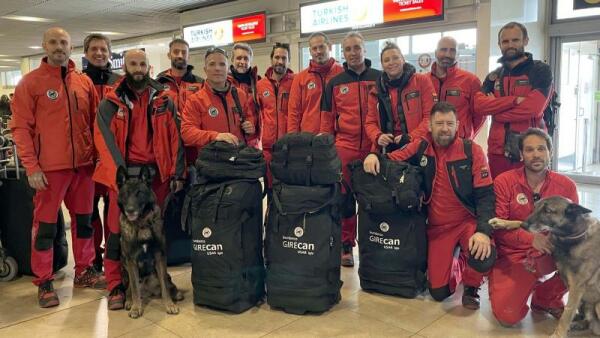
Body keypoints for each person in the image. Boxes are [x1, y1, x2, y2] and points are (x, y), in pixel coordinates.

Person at [363, 101, 496, 309]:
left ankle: (472, 286)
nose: (445, 128)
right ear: (430, 126)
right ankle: (461, 260)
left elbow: (487, 196)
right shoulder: (421, 146)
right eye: (439, 123)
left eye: (450, 123)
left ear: (458, 125)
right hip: (437, 227)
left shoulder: (472, 151)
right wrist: (373, 155)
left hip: (466, 222)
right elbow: (393, 159)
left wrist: (484, 232)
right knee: (439, 292)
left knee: (483, 256)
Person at [10, 27, 105, 308]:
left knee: (85, 223)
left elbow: (95, 125)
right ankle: (44, 280)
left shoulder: (83, 82)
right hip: (49, 170)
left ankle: (85, 271)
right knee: (46, 228)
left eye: (64, 42)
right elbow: (20, 128)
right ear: (44, 45)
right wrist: (31, 166)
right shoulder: (30, 83)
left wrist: (98, 158)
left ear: (71, 46)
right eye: (53, 42)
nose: (59, 47)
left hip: (84, 168)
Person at [93, 49, 185, 310]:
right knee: (116, 232)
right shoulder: (110, 103)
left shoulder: (165, 99)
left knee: (156, 234)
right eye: (133, 64)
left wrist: (177, 173)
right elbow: (104, 141)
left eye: (143, 64)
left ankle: (161, 280)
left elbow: (176, 137)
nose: (138, 68)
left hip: (154, 176)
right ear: (125, 67)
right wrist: (120, 177)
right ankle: (115, 286)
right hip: (123, 176)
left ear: (149, 67)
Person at [489, 128, 577, 326]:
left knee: (586, 257)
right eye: (529, 150)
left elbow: (573, 229)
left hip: (550, 252)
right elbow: (498, 228)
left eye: (541, 149)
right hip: (514, 255)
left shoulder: (567, 186)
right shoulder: (504, 182)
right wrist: (531, 239)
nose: (536, 154)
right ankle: (517, 284)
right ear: (521, 154)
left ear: (550, 153)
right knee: (508, 316)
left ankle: (546, 298)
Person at [320, 31, 382, 267]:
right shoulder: (335, 83)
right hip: (344, 147)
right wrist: (328, 151)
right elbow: (327, 120)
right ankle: (346, 244)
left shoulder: (379, 78)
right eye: (348, 49)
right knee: (344, 199)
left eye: (357, 48)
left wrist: (379, 147)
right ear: (342, 53)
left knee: (372, 199)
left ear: (364, 49)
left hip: (372, 146)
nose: (353, 53)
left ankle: (374, 244)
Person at [476, 22, 553, 178]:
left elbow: (533, 108)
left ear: (525, 41)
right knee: (501, 196)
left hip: (530, 150)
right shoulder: (493, 76)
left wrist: (497, 112)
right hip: (497, 151)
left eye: (515, 40)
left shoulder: (540, 70)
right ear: (499, 44)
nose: (510, 45)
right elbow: (479, 106)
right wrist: (514, 100)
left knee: (531, 198)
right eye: (505, 41)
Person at [82, 33, 123, 272]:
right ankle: (93, 256)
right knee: (88, 211)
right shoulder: (78, 81)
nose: (99, 53)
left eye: (103, 49)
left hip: (113, 157)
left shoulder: (120, 81)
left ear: (109, 52)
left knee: (112, 208)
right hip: (87, 158)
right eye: (94, 49)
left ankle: (113, 255)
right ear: (86, 53)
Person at [365, 41, 435, 154]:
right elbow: (370, 122)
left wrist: (410, 137)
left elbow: (430, 117)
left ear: (402, 59)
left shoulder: (422, 81)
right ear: (382, 65)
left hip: (418, 146)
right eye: (386, 60)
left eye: (395, 58)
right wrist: (378, 137)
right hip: (388, 150)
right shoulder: (376, 91)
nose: (391, 62)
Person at [181, 47, 256, 150]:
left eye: (222, 64)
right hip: (212, 162)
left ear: (228, 69)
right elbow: (187, 133)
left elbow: (249, 118)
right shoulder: (195, 100)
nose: (217, 68)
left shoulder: (240, 95)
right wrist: (215, 136)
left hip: (239, 160)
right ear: (205, 69)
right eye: (212, 64)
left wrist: (250, 126)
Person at [156, 38, 205, 173]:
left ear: (188, 56)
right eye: (176, 52)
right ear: (169, 55)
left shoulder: (200, 84)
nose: (180, 55)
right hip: (168, 147)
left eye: (184, 52)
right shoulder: (157, 84)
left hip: (194, 149)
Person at [287, 32, 343, 134]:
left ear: (329, 47)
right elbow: (294, 112)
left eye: (321, 47)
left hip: (337, 138)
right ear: (310, 51)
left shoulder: (342, 74)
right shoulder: (300, 78)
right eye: (314, 48)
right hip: (308, 138)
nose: (318, 51)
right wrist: (292, 138)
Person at [428, 36, 484, 139]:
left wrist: (466, 136)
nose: (447, 54)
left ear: (457, 54)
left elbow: (480, 116)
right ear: (436, 53)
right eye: (443, 50)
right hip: (430, 142)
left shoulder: (471, 81)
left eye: (452, 51)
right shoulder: (424, 80)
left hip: (459, 143)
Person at [256, 43, 294, 189]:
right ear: (271, 59)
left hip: (289, 148)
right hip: (268, 148)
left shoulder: (295, 82)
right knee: (271, 189)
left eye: (284, 58)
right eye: (277, 57)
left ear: (289, 60)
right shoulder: (260, 85)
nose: (280, 61)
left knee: (288, 190)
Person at [228, 43, 260, 147]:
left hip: (253, 141)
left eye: (246, 58)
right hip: (231, 141)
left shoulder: (258, 83)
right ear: (232, 60)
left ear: (250, 61)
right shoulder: (224, 83)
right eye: (239, 58)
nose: (242, 62)